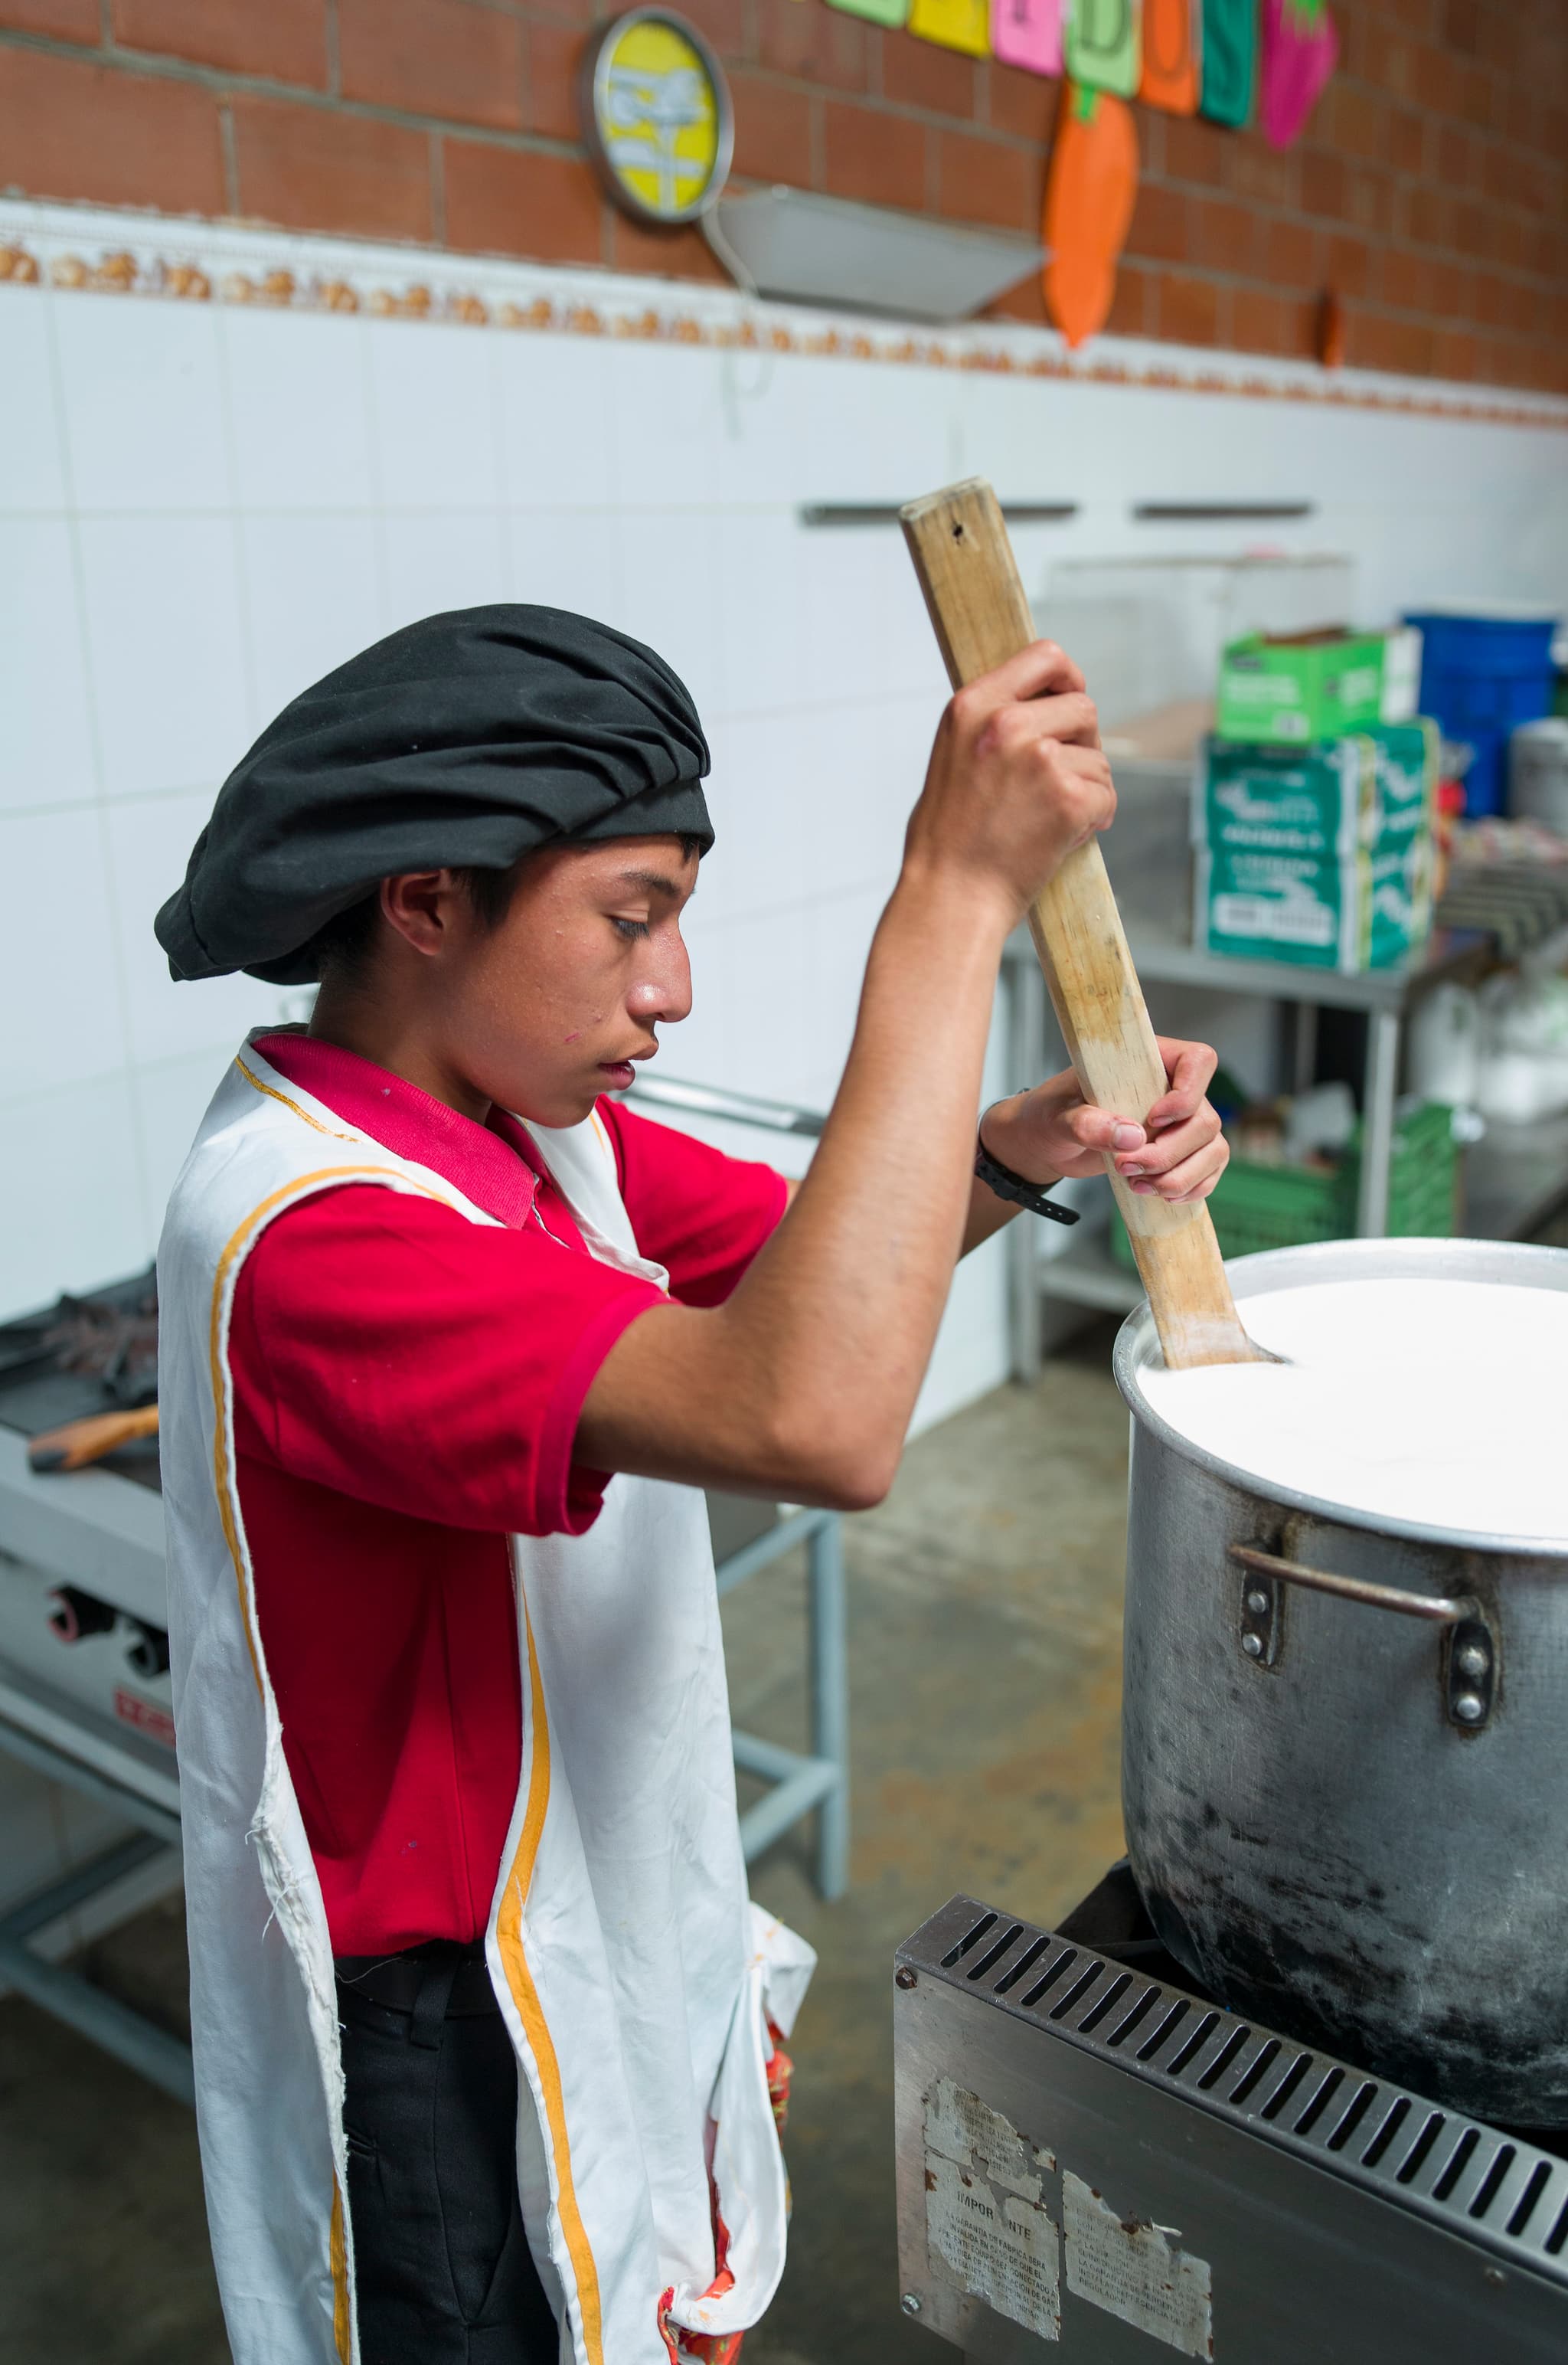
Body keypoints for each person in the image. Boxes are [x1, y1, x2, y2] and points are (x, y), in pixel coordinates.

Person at [153, 605, 1227, 2365]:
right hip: (441, 2023)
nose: (671, 988)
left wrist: (1023, 1151)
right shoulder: (312, 1234)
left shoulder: (529, 1128)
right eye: (629, 917)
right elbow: (816, 1414)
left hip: (586, 1883)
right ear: (428, 901)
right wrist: (946, 901)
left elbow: (807, 1274)